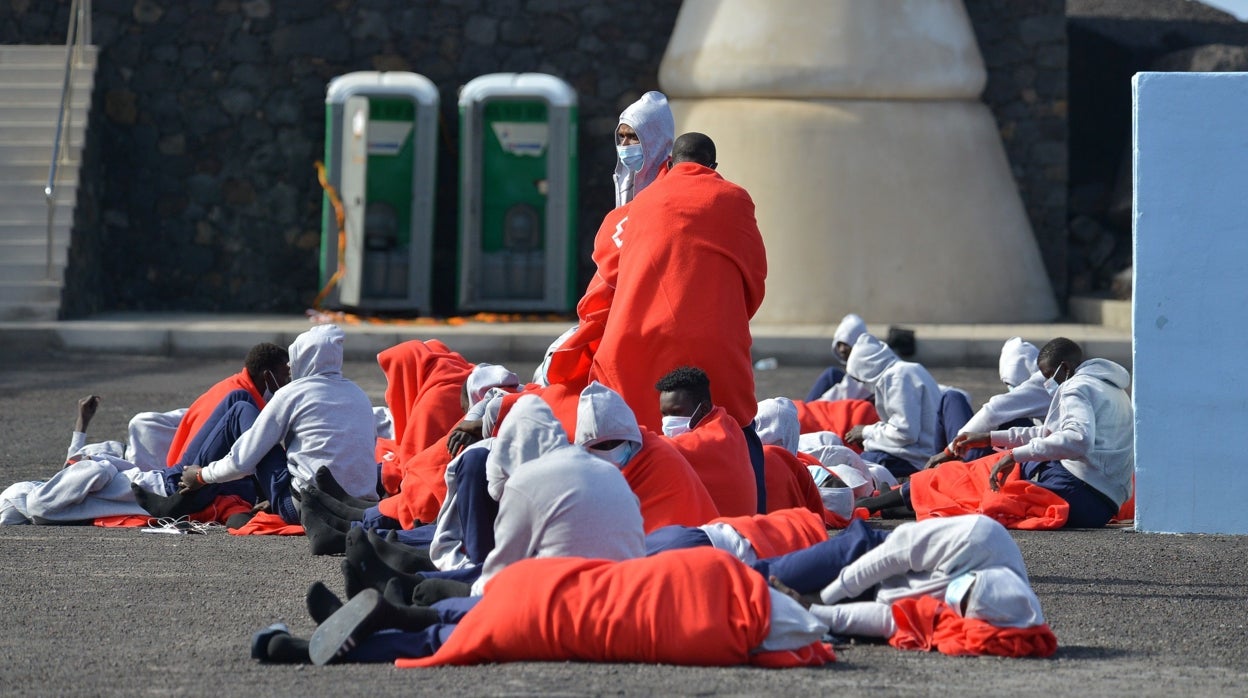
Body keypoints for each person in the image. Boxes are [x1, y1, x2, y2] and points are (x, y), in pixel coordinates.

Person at [137, 325, 377, 525]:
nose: (291, 372)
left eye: (293, 363)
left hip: (304, 508)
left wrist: (201, 476)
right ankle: (180, 490)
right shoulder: (359, 395)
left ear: (304, 358)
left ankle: (177, 494)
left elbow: (244, 460)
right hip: (355, 506)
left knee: (240, 409)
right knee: (242, 405)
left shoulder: (293, 393)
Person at [540, 91, 676, 387]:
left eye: (634, 138)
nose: (625, 146)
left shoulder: (669, 193)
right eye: (622, 137)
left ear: (655, 137)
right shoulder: (626, 183)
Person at [951, 337, 1133, 529]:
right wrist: (990, 438)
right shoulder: (1111, 387)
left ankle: (924, 490)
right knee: (1006, 479)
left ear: (1065, 368)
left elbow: (1077, 439)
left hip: (1080, 493)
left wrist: (1014, 456)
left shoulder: (1075, 388)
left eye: (1048, 376)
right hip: (1104, 505)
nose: (1047, 384)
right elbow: (1051, 433)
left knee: (989, 502)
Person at [786, 515, 1045, 642]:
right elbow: (895, 553)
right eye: (965, 589)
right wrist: (824, 597)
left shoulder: (989, 613)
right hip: (866, 556)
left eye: (960, 607)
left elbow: (894, 619)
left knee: (776, 611)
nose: (950, 597)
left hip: (876, 596)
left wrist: (816, 612)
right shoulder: (980, 536)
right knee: (770, 576)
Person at [573, 381, 720, 532]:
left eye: (616, 442)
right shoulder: (581, 480)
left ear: (631, 438)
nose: (610, 451)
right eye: (600, 447)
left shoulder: (662, 458)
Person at [925, 337, 1053, 469]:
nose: (1011, 389)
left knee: (952, 397)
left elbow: (992, 411)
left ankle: (936, 470)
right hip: (1015, 458)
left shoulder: (1040, 385)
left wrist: (950, 449)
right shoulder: (1052, 382)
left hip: (975, 460)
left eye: (1009, 383)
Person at [165, 342, 290, 467]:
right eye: (286, 379)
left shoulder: (228, 387)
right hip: (194, 473)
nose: (289, 384)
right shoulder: (243, 402)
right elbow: (256, 452)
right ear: (267, 376)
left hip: (180, 465)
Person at [656, 366, 759, 517]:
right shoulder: (726, 422)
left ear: (703, 408)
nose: (668, 421)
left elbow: (654, 448)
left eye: (676, 412)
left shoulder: (710, 440)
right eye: (664, 414)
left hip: (717, 534)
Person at [842, 333, 942, 479]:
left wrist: (866, 432)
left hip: (917, 460)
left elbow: (904, 432)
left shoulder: (897, 378)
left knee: (856, 469)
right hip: (921, 452)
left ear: (866, 370)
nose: (862, 384)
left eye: (860, 379)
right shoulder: (906, 370)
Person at [805, 313, 873, 402]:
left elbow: (846, 392)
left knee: (831, 374)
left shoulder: (870, 363)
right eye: (839, 344)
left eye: (846, 344)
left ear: (857, 343)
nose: (841, 350)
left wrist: (811, 408)